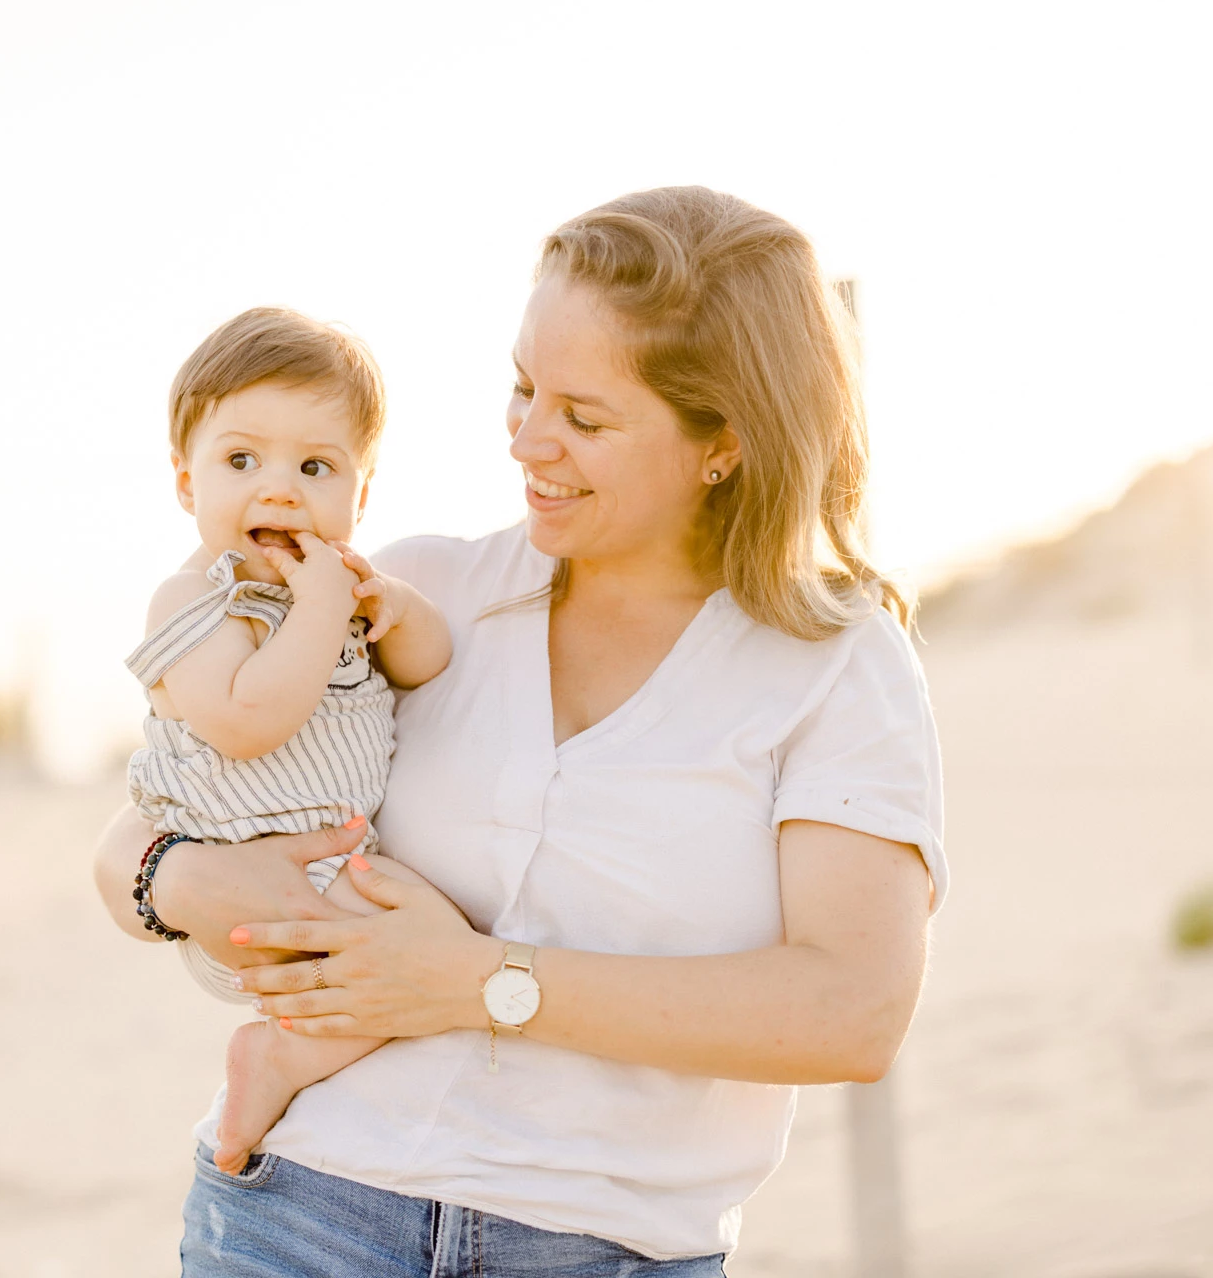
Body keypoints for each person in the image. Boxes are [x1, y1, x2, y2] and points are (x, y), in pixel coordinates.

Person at [93, 186, 946, 1276]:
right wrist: (182, 880)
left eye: (585, 418)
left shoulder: (836, 662)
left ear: (723, 442)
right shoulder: (413, 597)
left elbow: (852, 1013)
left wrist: (479, 978)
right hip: (298, 1217)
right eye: (523, 387)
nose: (528, 440)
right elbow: (141, 834)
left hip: (604, 1251)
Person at [125, 307, 453, 1175]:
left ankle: (294, 1047)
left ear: (360, 495)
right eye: (242, 461)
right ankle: (276, 1058)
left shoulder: (331, 592)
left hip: (331, 865)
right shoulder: (194, 602)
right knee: (419, 962)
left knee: (432, 950)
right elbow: (244, 723)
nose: (279, 491)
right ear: (186, 482)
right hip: (250, 872)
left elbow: (426, 665)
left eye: (314, 467)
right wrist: (321, 609)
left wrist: (395, 609)